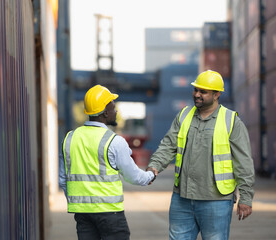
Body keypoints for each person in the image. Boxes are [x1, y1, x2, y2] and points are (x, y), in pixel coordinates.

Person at [147, 70, 255, 240]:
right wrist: (154, 166)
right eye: (195, 90)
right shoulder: (184, 116)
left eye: (203, 92)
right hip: (181, 198)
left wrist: (246, 198)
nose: (197, 94)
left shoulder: (231, 121)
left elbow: (243, 162)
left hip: (216, 201)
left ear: (217, 94)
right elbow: (167, 146)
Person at [59, 84, 157, 240]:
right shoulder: (114, 141)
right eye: (113, 107)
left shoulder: (70, 138)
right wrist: (150, 175)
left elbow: (64, 179)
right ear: (105, 113)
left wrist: (79, 202)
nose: (116, 111)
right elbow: (133, 176)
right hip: (110, 214)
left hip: (82, 214)